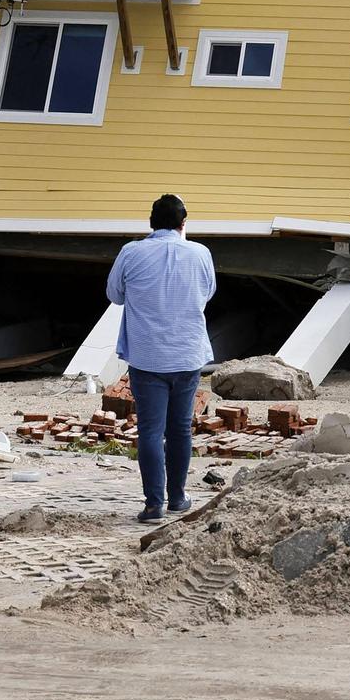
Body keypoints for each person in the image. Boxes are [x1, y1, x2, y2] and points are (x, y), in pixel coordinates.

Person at [106, 194, 217, 523]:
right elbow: (207, 293)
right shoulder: (201, 254)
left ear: (150, 222)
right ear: (184, 224)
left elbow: (114, 295)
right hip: (187, 355)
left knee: (151, 431)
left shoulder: (131, 252)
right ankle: (178, 498)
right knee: (181, 430)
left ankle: (154, 505)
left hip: (147, 356)